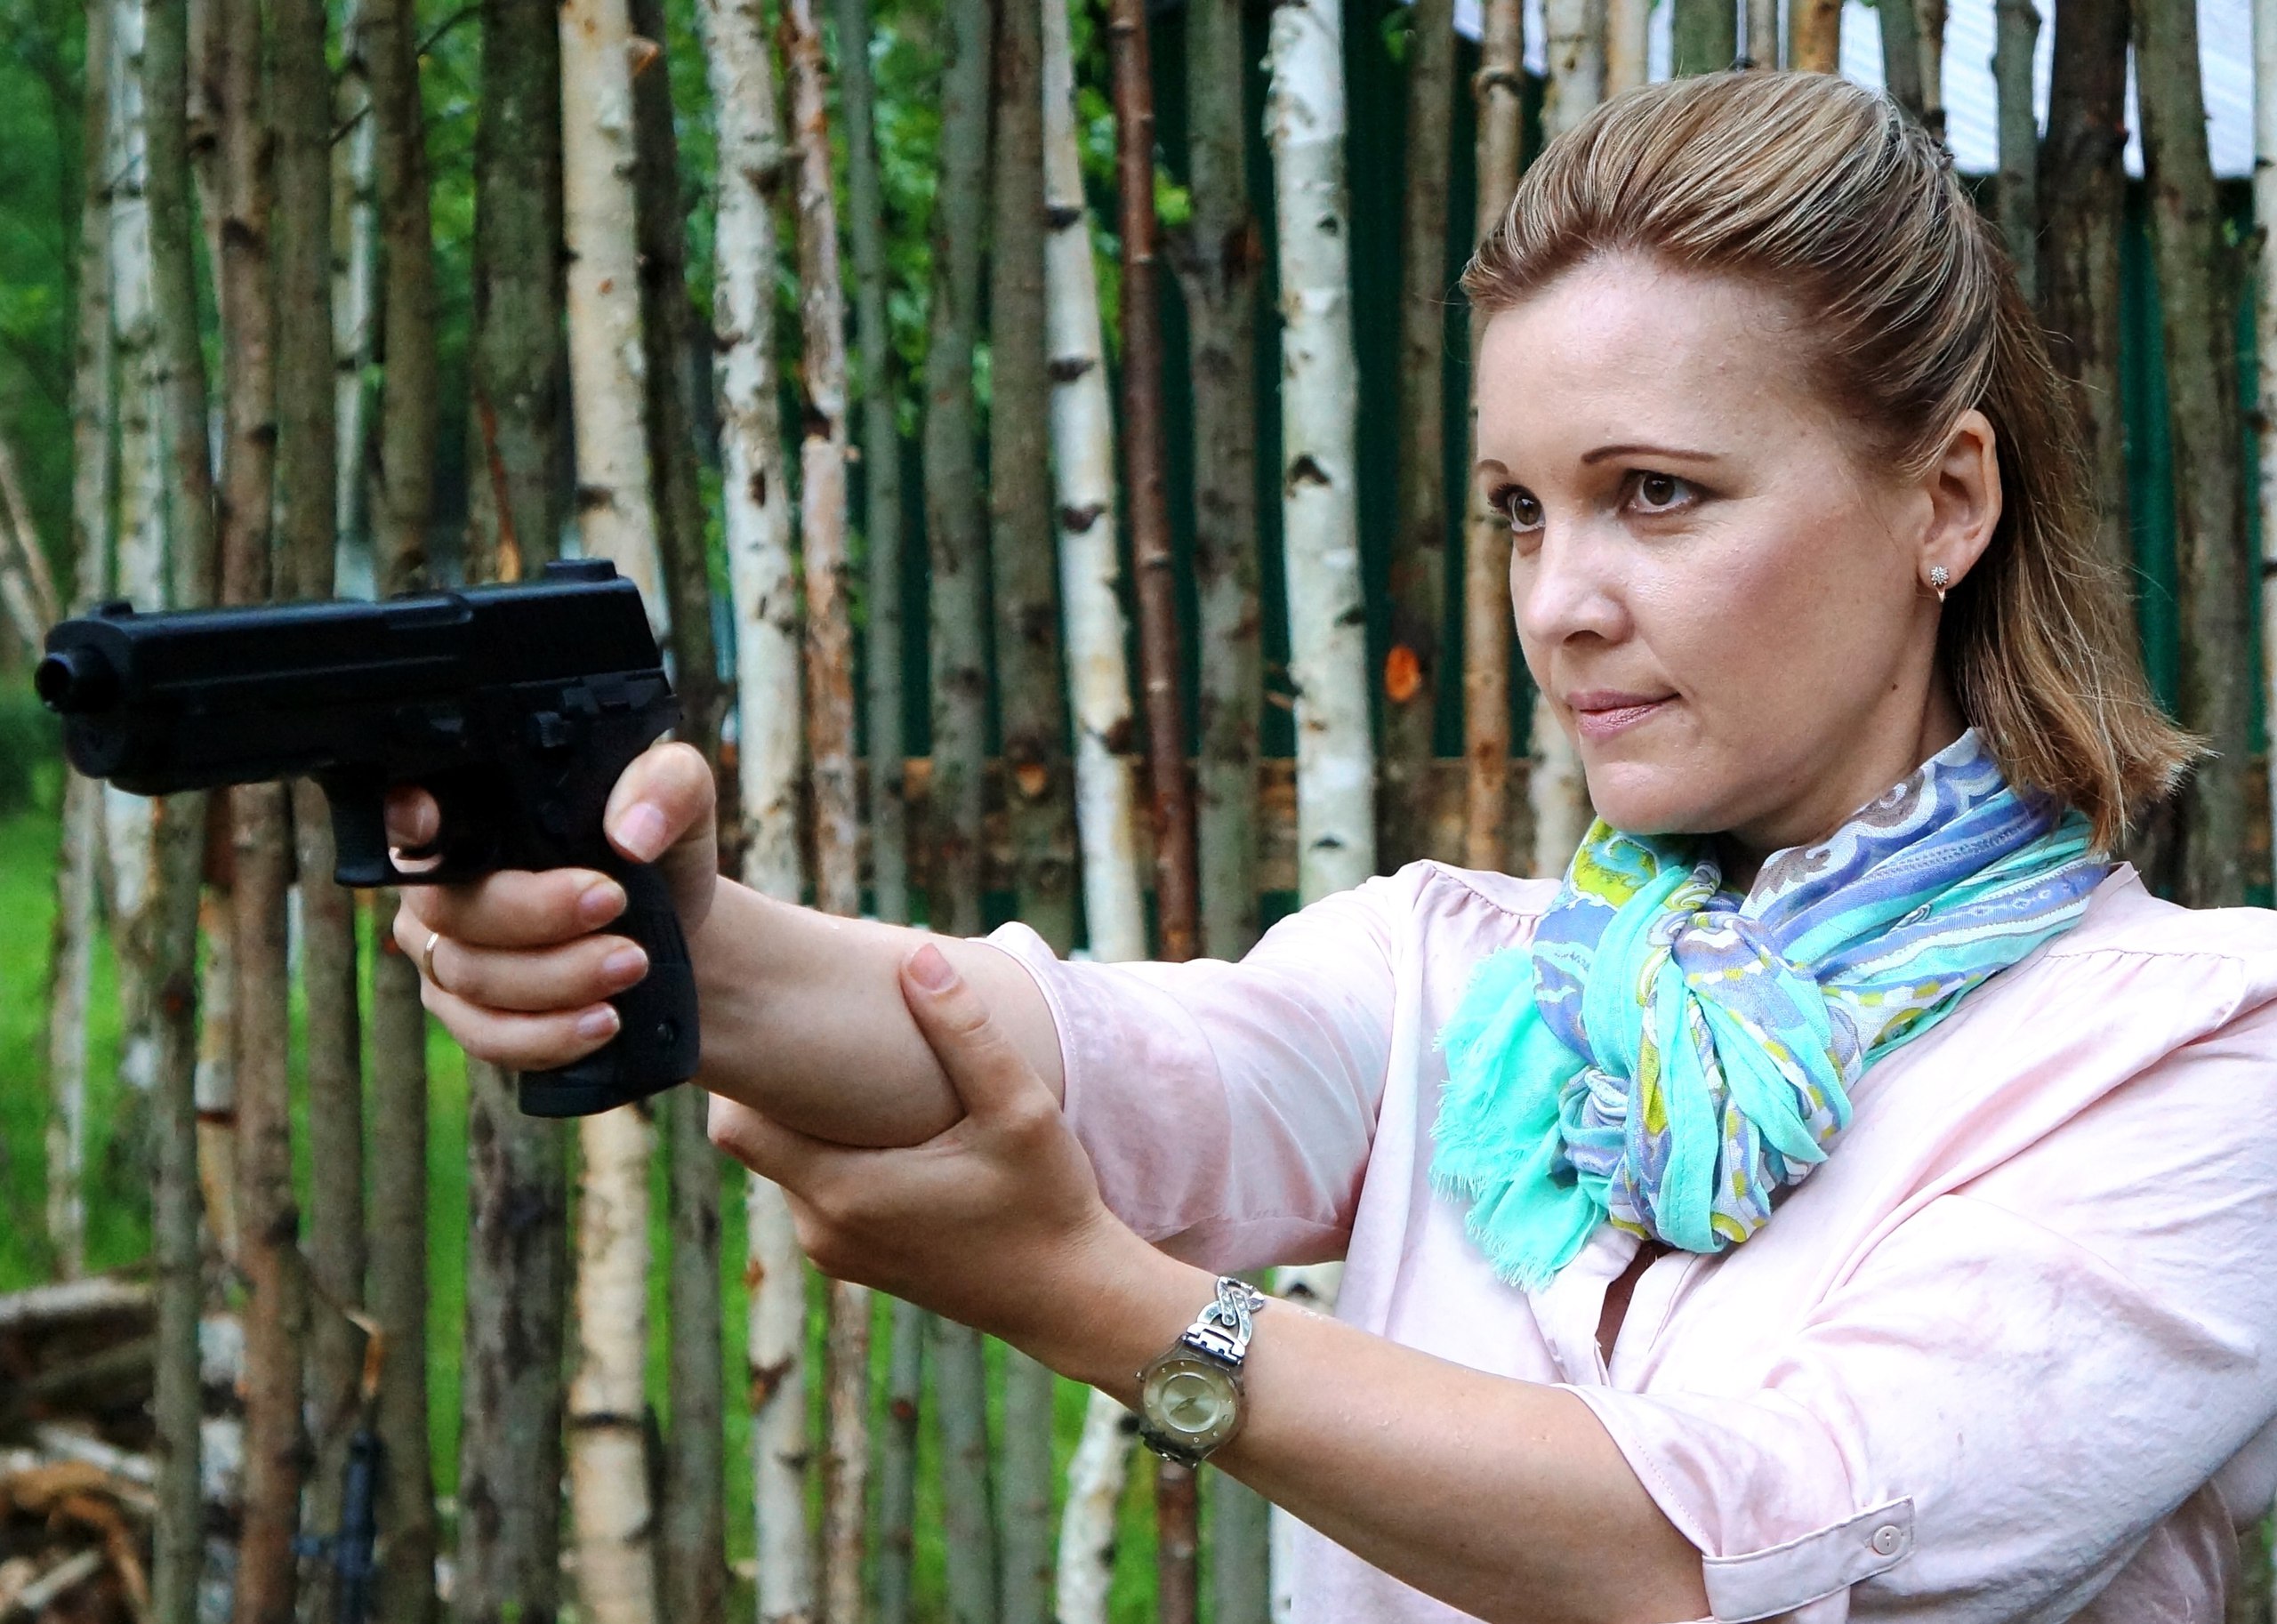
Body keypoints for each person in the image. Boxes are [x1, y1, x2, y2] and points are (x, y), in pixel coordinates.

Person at [391, 71, 2277, 1623]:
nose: (1560, 602)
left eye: (1655, 495)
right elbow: (1079, 1058)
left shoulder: (2193, 1050)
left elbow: (1730, 1547)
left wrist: (1106, 1308)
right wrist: (670, 934)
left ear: (1944, 500)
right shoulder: (1464, 972)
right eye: (1522, 510)